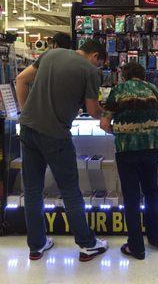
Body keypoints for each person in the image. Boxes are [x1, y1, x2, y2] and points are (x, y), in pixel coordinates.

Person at [16, 39, 108, 262]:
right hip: (56, 135)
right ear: (95, 56)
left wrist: (25, 112)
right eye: (101, 63)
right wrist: (107, 112)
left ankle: (37, 245)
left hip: (28, 130)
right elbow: (93, 110)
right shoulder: (90, 71)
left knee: (32, 190)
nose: (99, 67)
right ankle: (87, 244)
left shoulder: (51, 54)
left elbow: (21, 80)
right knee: (70, 191)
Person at [100, 62, 158, 260]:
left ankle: (136, 247)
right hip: (151, 148)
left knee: (131, 196)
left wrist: (121, 132)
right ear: (143, 75)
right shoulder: (154, 90)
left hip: (126, 150)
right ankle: (157, 238)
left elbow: (104, 123)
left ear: (124, 76)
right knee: (152, 191)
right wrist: (147, 131)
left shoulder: (118, 91)